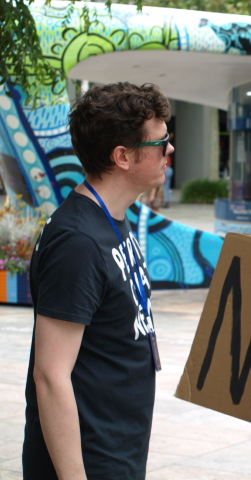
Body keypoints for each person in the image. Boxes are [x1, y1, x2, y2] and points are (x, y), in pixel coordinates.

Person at [23, 82, 173, 479]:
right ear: (123, 156)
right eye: (162, 141)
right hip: (88, 461)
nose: (170, 150)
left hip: (116, 450)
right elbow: (50, 376)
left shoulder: (112, 221)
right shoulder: (79, 241)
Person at [162, 133, 175, 208]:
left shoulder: (166, 155)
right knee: (167, 186)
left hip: (167, 169)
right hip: (169, 169)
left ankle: (166, 202)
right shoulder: (168, 155)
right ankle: (167, 201)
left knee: (165, 186)